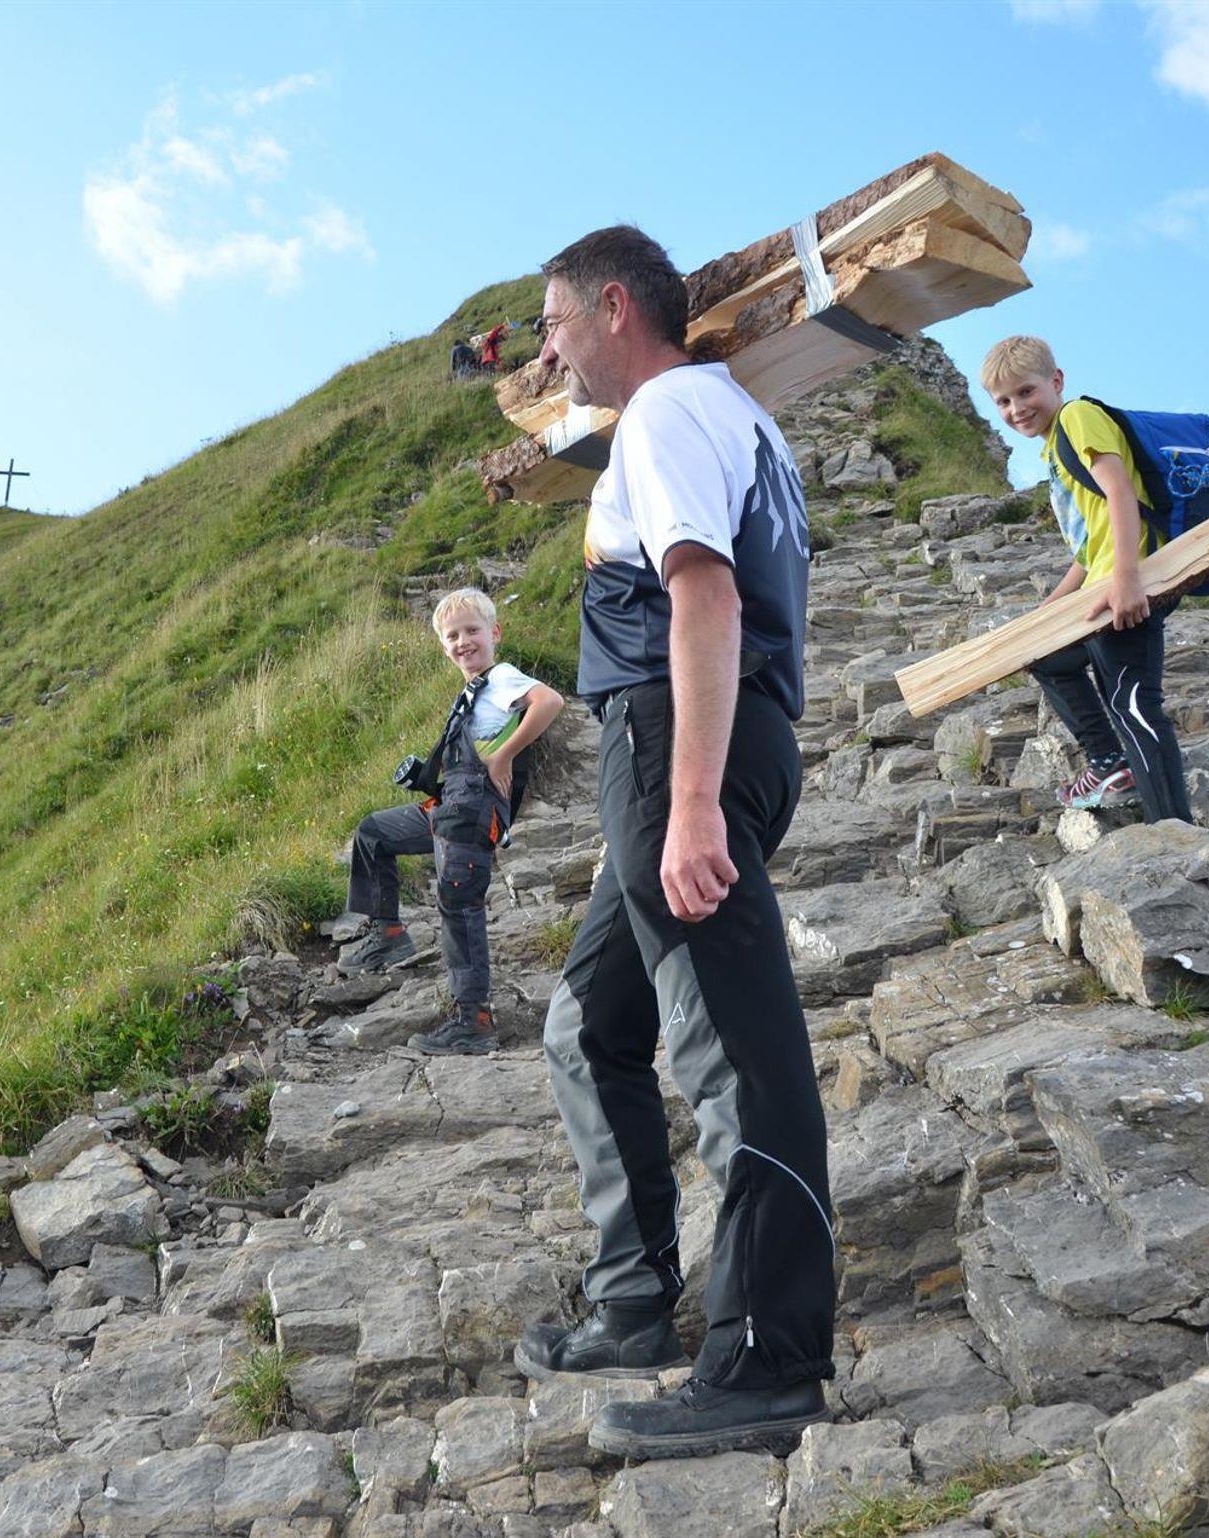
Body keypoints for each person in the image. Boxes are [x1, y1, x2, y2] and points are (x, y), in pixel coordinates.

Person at [513, 225, 834, 1459]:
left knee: (733, 1053)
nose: (547, 353)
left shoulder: (663, 413)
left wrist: (685, 800)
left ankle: (763, 1359)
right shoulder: (733, 417)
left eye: (552, 324)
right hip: (701, 741)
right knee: (587, 1021)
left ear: (611, 307)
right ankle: (632, 1298)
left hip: (676, 738)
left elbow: (702, 591)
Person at [339, 588, 564, 1055]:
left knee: (459, 905)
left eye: (472, 631)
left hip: (472, 811)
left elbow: (549, 701)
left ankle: (473, 1022)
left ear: (495, 633)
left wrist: (504, 756)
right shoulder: (472, 692)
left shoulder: (501, 677)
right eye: (453, 636)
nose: (463, 642)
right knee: (374, 833)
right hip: (450, 809)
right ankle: (388, 934)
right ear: (444, 647)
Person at [980, 336, 1193, 823]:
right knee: (1049, 657)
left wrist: (1127, 578)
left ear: (1056, 381)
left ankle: (1173, 828)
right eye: (1004, 402)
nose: (1017, 409)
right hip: (1102, 585)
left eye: (1026, 392)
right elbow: (1088, 548)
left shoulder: (1077, 417)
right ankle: (1109, 762)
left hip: (1127, 585)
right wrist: (1049, 611)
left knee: (1134, 705)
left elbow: (1120, 492)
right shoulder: (1054, 449)